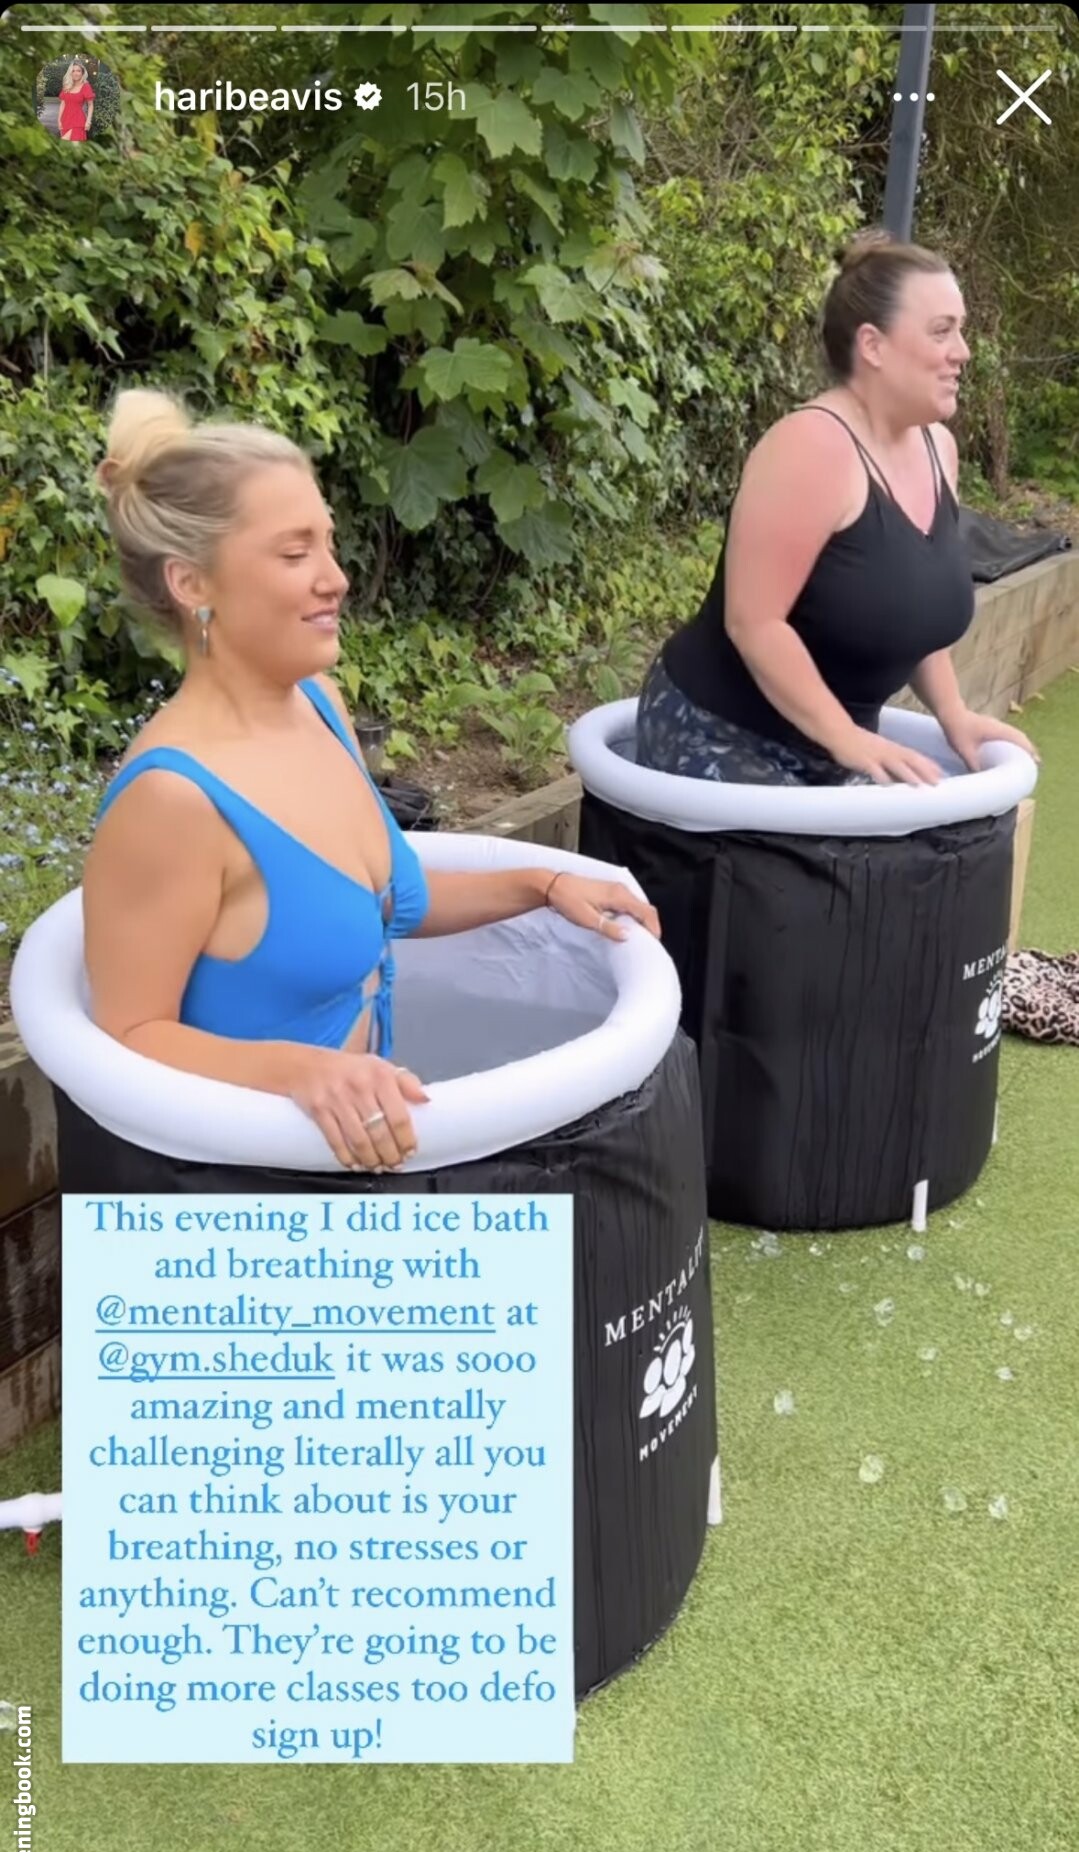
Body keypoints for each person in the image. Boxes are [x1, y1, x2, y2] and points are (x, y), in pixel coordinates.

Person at [84, 389, 660, 1174]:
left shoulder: (319, 705)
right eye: (295, 555)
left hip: (362, 1160)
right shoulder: (173, 801)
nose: (336, 579)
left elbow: (384, 902)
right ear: (192, 584)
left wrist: (541, 884)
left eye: (328, 545)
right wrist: (297, 1073)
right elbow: (125, 1041)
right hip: (240, 1199)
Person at [636, 229, 1038, 788]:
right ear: (873, 346)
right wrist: (845, 737)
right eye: (942, 331)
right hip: (718, 731)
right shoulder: (811, 448)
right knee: (816, 845)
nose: (963, 352)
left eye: (961, 330)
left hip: (833, 745)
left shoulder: (938, 450)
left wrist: (955, 717)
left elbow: (915, 610)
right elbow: (754, 623)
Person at [57, 60, 94, 142]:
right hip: (65, 120)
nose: (75, 73)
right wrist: (59, 120)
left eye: (78, 71)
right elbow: (63, 104)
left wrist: (88, 121)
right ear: (70, 73)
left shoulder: (86, 86)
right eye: (73, 71)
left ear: (82, 73)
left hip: (78, 121)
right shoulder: (67, 86)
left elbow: (90, 105)